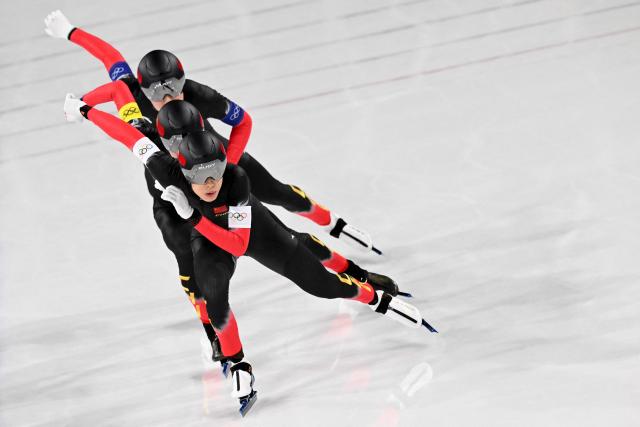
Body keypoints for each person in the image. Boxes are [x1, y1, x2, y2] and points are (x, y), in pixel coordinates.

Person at [62, 94, 431, 416]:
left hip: (250, 233)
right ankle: (239, 365)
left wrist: (192, 215)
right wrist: (84, 110)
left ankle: (374, 298)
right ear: (182, 170)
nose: (209, 184)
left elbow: (237, 245)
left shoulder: (236, 179)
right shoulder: (163, 166)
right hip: (207, 241)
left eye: (215, 172)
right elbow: (125, 133)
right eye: (200, 176)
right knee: (213, 296)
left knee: (321, 287)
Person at [44, 9, 380, 254]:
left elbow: (244, 121)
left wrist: (229, 165)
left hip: (217, 159)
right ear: (144, 91)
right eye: (157, 95)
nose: (167, 100)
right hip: (177, 174)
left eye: (174, 91)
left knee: (277, 193)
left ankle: (330, 222)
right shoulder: (129, 89)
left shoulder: (201, 95)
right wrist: (78, 75)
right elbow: (110, 62)